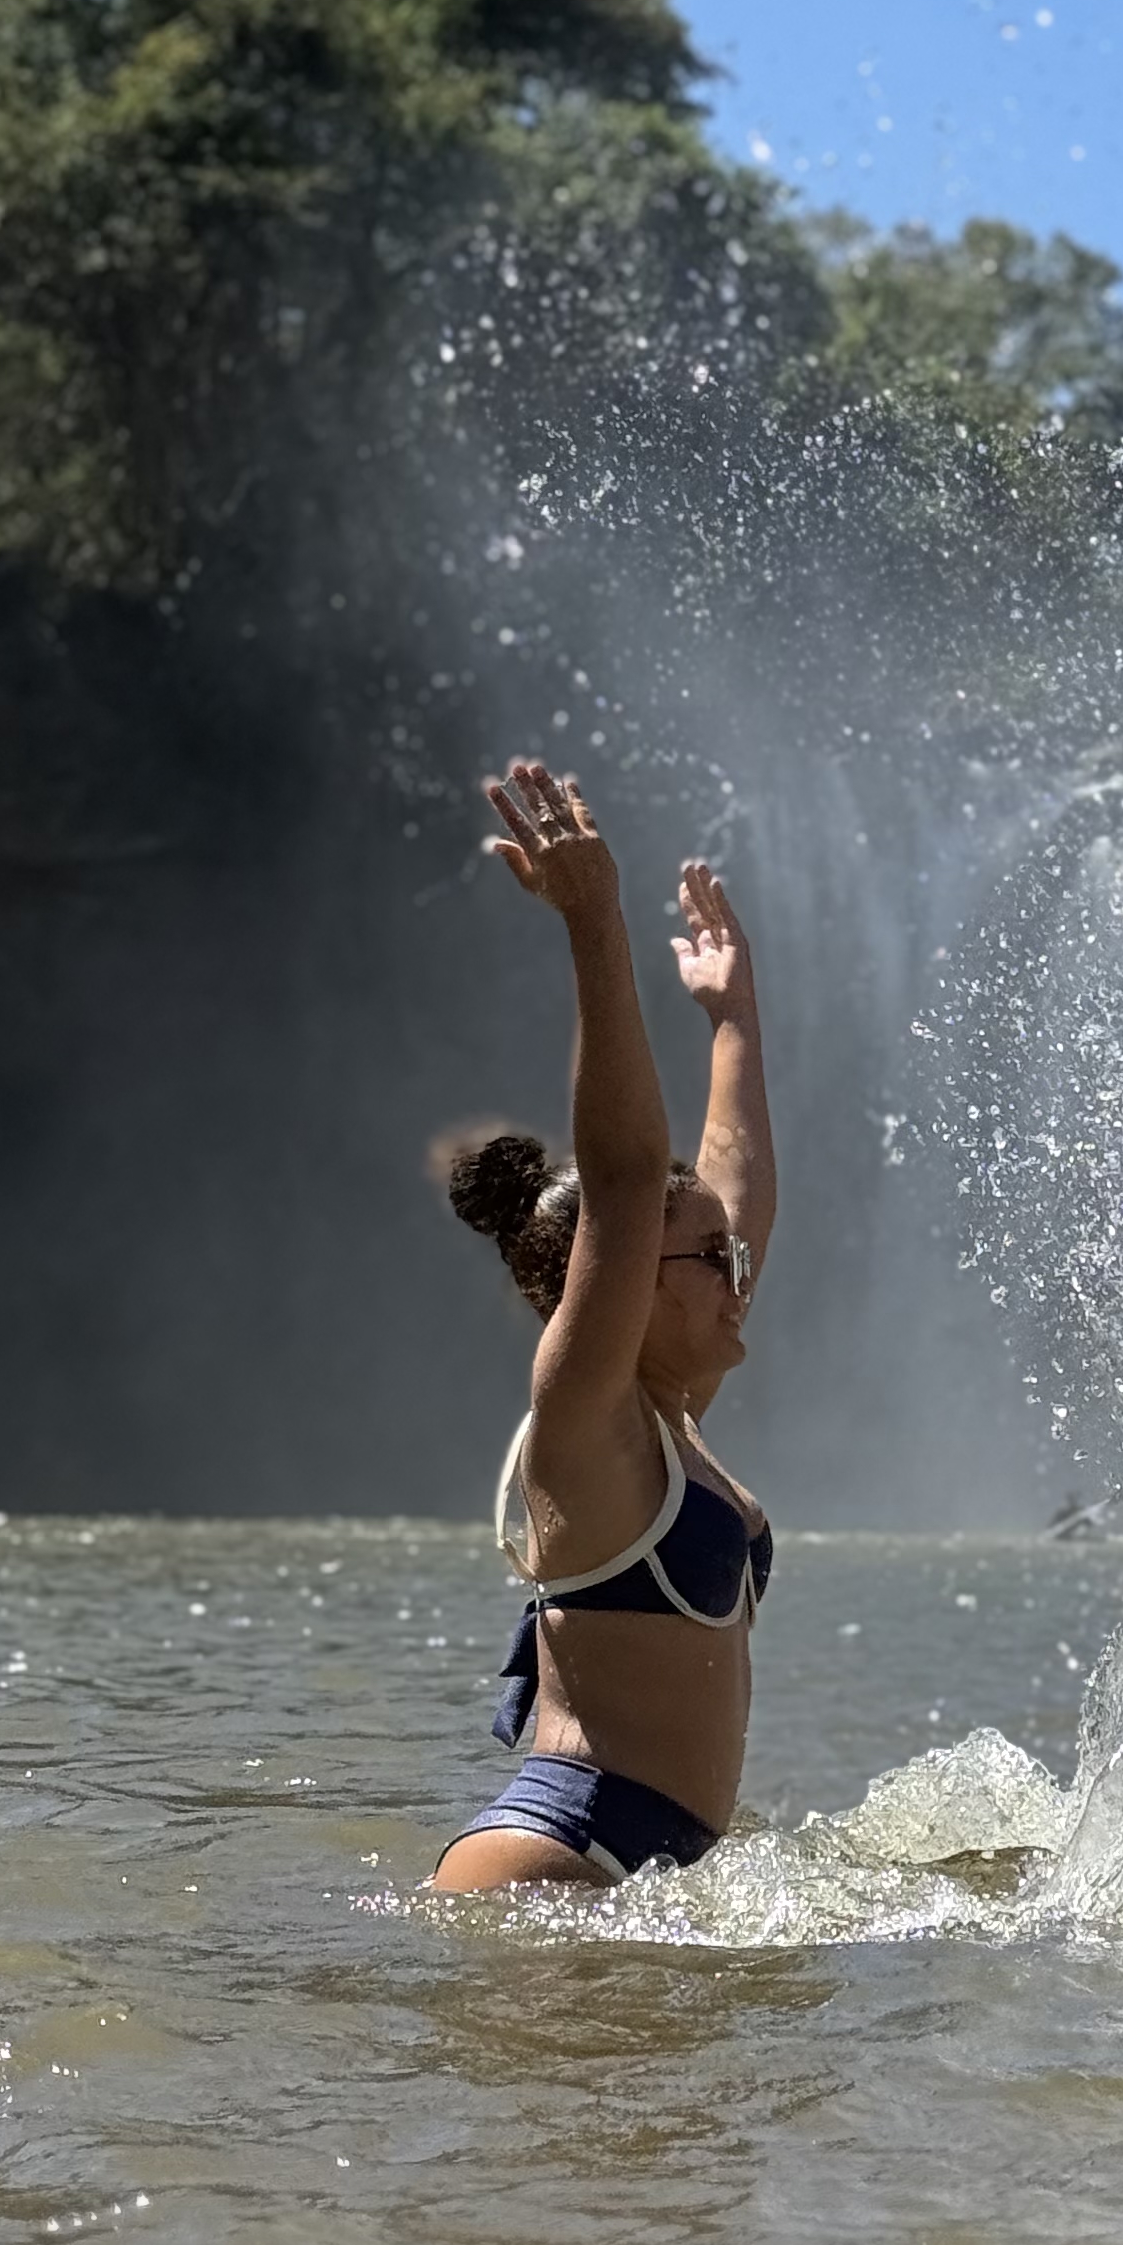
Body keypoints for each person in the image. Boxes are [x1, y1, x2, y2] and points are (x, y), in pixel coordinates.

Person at [430, 758, 777, 1889]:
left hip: (657, 1865)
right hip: (562, 1850)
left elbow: (717, 1193)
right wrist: (595, 924)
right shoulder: (584, 1420)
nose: (740, 1276)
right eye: (709, 1261)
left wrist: (733, 1023)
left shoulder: (674, 1410)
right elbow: (631, 1186)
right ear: (620, 1282)